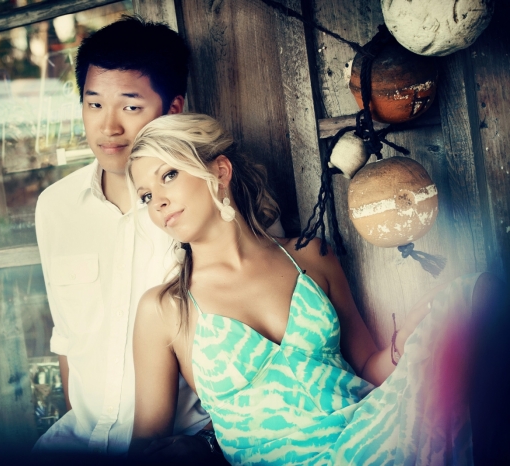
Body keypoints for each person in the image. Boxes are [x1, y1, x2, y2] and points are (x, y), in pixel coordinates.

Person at [127, 112, 505, 465]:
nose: (157, 202)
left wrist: (402, 343)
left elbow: (367, 369)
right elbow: (148, 449)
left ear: (220, 170)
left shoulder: (311, 256)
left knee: (473, 296)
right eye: (145, 195)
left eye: (169, 175)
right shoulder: (164, 309)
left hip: (366, 435)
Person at [33, 17, 252, 460]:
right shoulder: (54, 208)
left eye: (130, 107)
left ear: (172, 109)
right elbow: (67, 340)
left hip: (183, 449)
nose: (108, 127)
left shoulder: (201, 198)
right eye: (94, 105)